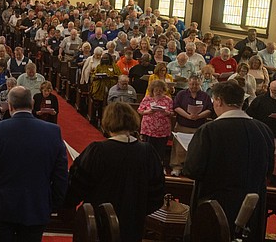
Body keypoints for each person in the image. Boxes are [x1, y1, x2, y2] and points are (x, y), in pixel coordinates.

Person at [184, 81, 275, 242]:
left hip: (216, 208)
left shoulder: (209, 130)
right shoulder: (264, 129)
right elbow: (269, 169)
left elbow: (192, 169)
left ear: (218, 100)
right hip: (253, 208)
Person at [66, 102, 165, 242]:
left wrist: (68, 204)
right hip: (133, 222)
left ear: (107, 121)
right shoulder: (147, 152)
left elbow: (77, 185)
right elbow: (157, 193)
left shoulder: (98, 151)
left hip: (100, 222)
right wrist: (139, 210)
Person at [0, 86, 67, 241]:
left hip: (1, 207)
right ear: (32, 104)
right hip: (36, 205)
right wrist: (52, 203)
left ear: (10, 105)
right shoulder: (52, 131)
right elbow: (60, 174)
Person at [246, 81, 276, 187]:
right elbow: (249, 113)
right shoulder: (260, 100)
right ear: (269, 89)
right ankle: (260, 176)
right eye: (274, 91)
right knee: (260, 155)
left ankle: (275, 178)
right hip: (262, 133)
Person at [169, 76, 213, 176]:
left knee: (195, 149)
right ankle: (177, 167)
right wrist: (188, 116)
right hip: (183, 125)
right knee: (179, 148)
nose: (194, 86)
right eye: (192, 84)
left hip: (198, 126)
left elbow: (210, 109)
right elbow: (176, 106)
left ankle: (192, 168)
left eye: (196, 84)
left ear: (200, 84)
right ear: (188, 84)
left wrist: (198, 116)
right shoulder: (181, 94)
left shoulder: (204, 96)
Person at [137, 79, 173, 164]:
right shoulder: (147, 99)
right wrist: (148, 111)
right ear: (152, 90)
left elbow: (172, 113)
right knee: (148, 148)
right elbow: (140, 110)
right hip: (149, 129)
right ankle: (147, 164)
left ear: (164, 90)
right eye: (156, 90)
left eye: (160, 90)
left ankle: (160, 165)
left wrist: (165, 112)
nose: (158, 92)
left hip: (162, 129)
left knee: (160, 149)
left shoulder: (168, 100)